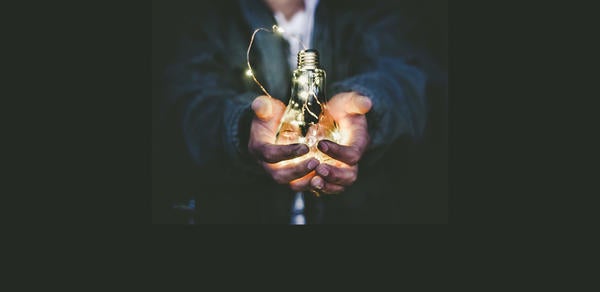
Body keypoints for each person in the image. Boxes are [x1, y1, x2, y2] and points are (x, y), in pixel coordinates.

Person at [156, 0, 446, 223]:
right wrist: (242, 127)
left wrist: (369, 109)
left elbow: (412, 77)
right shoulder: (208, 16)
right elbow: (180, 103)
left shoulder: (370, 10)